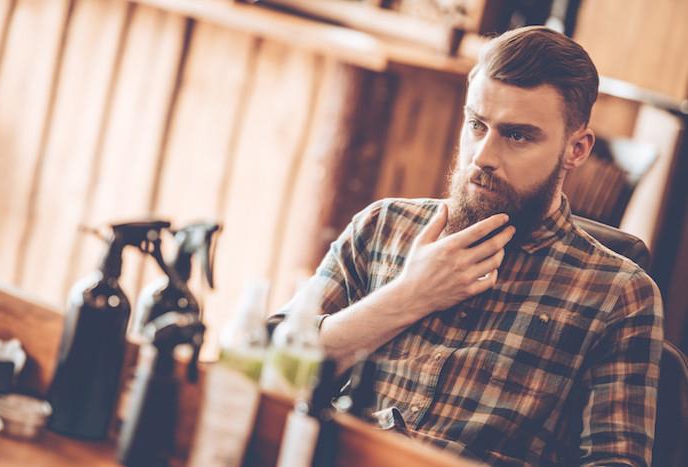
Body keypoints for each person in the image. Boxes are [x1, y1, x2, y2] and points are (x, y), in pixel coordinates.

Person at [272, 26, 663, 466]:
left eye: (517, 135)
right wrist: (407, 297)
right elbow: (268, 367)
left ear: (576, 149)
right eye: (476, 125)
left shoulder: (618, 295)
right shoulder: (382, 226)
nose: (483, 156)